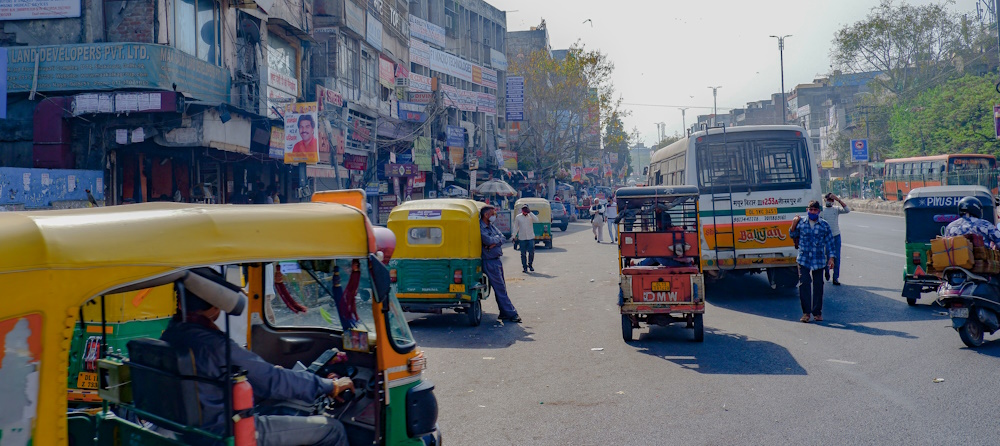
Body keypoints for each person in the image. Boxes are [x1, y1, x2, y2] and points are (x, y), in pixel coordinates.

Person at [159, 272, 352, 446]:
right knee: (333, 429)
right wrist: (330, 386)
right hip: (227, 432)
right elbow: (273, 380)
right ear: (215, 307)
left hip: (194, 429)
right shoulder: (214, 345)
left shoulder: (171, 334)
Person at [789, 201, 836, 323]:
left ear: (819, 212)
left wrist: (831, 258)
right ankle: (806, 313)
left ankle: (817, 312)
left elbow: (830, 242)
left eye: (815, 210)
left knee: (818, 286)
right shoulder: (801, 223)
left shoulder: (824, 225)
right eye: (811, 210)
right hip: (804, 259)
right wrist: (793, 224)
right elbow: (792, 234)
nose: (813, 212)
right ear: (807, 210)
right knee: (804, 284)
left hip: (819, 259)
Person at [480, 206, 521, 322]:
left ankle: (503, 312)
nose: (494, 216)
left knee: (501, 287)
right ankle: (511, 313)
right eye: (493, 214)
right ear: (486, 215)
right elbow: (487, 241)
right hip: (489, 261)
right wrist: (493, 242)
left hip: (496, 260)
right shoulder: (480, 227)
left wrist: (494, 242)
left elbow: (503, 237)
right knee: (500, 288)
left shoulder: (491, 226)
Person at [820, 193, 850, 285]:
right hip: (825, 237)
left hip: (836, 236)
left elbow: (847, 210)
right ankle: (826, 271)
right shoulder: (822, 211)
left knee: (837, 257)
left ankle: (835, 278)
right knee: (825, 256)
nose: (830, 201)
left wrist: (838, 200)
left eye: (831, 200)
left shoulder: (836, 209)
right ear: (825, 200)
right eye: (828, 199)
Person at [512, 204, 539, 273]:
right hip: (522, 238)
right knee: (523, 253)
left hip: (530, 237)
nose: (525, 210)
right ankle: (524, 267)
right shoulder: (518, 217)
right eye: (524, 209)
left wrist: (530, 212)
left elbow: (537, 220)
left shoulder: (530, 216)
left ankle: (530, 265)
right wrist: (514, 236)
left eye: (526, 209)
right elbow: (516, 227)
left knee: (531, 252)